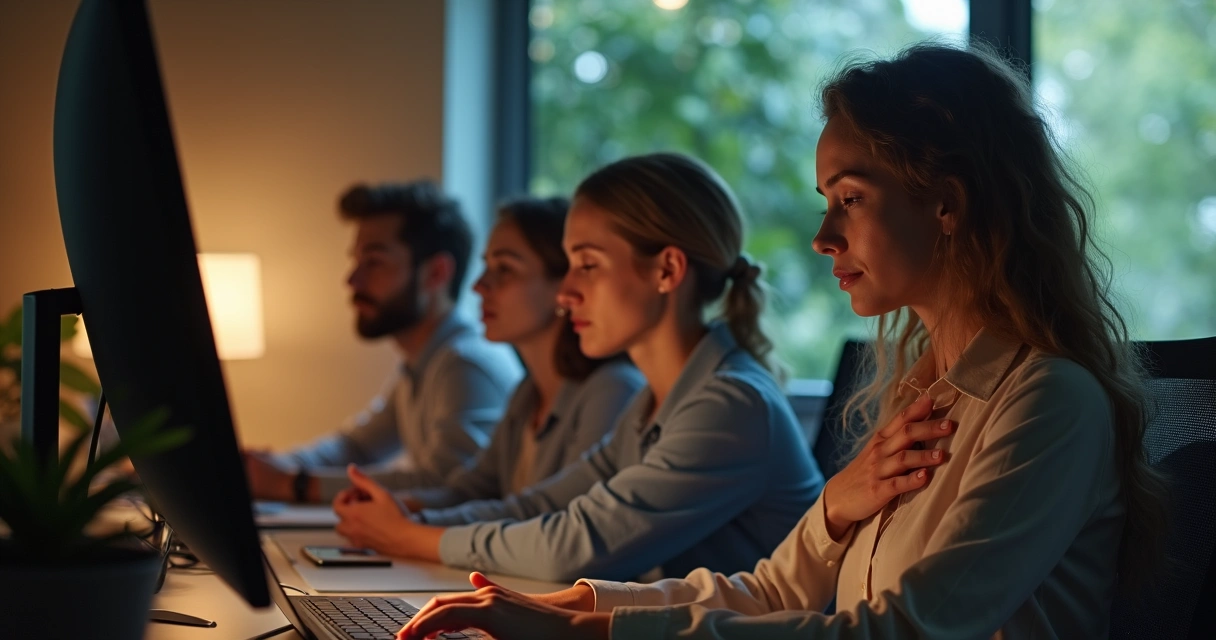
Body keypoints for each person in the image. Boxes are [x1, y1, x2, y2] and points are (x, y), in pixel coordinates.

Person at [394, 43, 1169, 640]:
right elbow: (772, 591)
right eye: (826, 200)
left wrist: (586, 634)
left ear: (946, 204)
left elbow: (901, 631)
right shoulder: (924, 397)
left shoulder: (1048, 403)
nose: (823, 236)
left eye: (850, 198)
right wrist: (580, 604)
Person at [332, 152, 824, 584]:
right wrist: (410, 523)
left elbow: (574, 545)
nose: (565, 294)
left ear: (667, 270)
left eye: (587, 265)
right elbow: (541, 505)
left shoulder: (730, 404)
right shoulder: (652, 403)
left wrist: (411, 537)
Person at [244, 181, 521, 504]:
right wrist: (273, 467)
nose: (352, 280)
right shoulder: (423, 363)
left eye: (374, 262)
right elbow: (357, 447)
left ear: (436, 273)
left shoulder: (466, 364)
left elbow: (446, 484)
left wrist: (295, 484)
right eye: (356, 261)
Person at [394, 196, 645, 516]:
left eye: (505, 269)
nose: (479, 286)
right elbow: (470, 491)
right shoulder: (527, 394)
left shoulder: (612, 390)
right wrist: (397, 507)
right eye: (486, 267)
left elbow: (565, 520)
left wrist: (414, 524)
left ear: (562, 285)